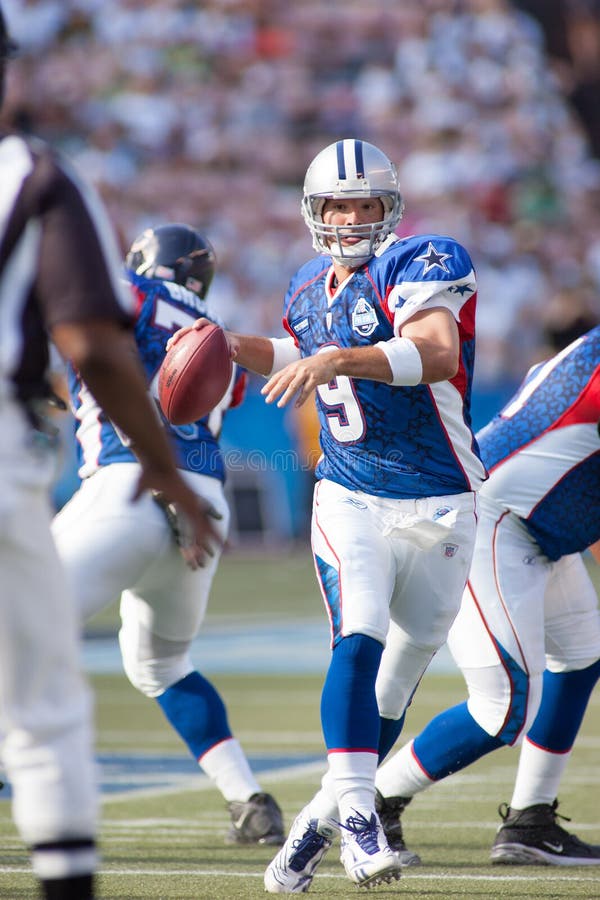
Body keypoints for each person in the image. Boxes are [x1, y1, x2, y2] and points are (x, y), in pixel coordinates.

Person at [171, 137, 487, 891]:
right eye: (336, 204)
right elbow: (296, 352)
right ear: (314, 211)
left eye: (363, 203)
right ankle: (358, 824)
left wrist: (336, 359)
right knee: (360, 635)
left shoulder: (422, 260)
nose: (349, 217)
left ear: (390, 208)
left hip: (444, 496)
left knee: (396, 685)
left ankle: (313, 826)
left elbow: (436, 353)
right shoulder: (309, 283)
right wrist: (224, 345)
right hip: (350, 493)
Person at [0, 10, 219, 900]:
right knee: (45, 704)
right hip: (33, 452)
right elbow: (92, 342)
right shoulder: (38, 176)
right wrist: (161, 469)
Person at [51, 223, 285, 847]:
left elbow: (84, 333)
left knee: (21, 618)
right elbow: (174, 387)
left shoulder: (128, 291)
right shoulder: (217, 333)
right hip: (203, 501)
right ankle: (249, 800)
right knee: (161, 663)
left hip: (128, 486)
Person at [372, 325, 600, 866]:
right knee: (503, 705)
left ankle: (531, 820)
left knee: (581, 654)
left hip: (530, 518)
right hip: (495, 517)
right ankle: (369, 800)